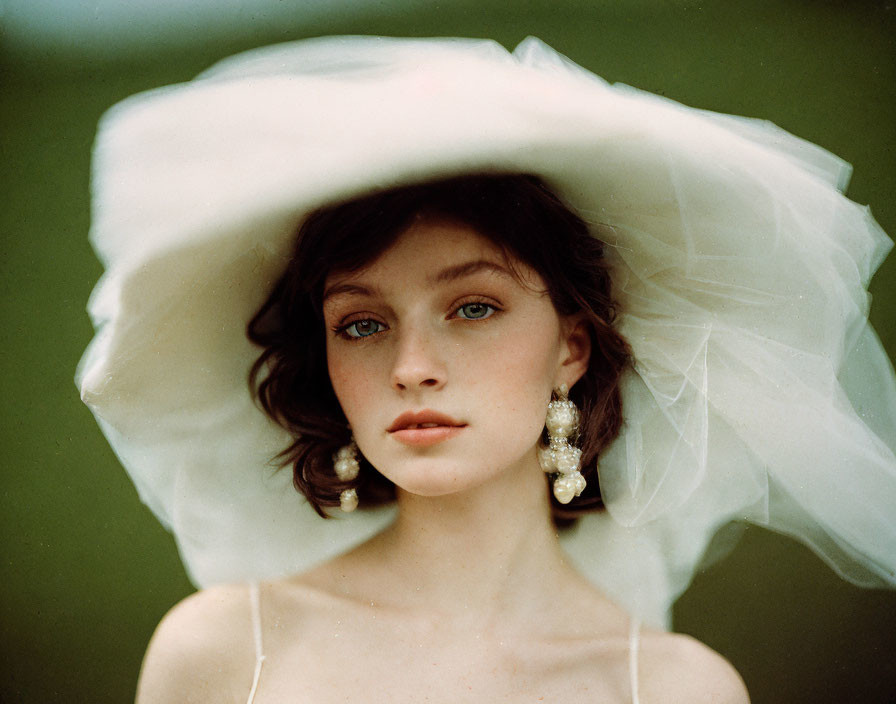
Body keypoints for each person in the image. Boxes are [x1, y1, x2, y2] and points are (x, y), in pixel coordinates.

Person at [76, 36, 896, 703]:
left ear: (571, 348)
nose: (412, 367)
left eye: (473, 307)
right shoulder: (221, 649)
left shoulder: (673, 688)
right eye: (361, 323)